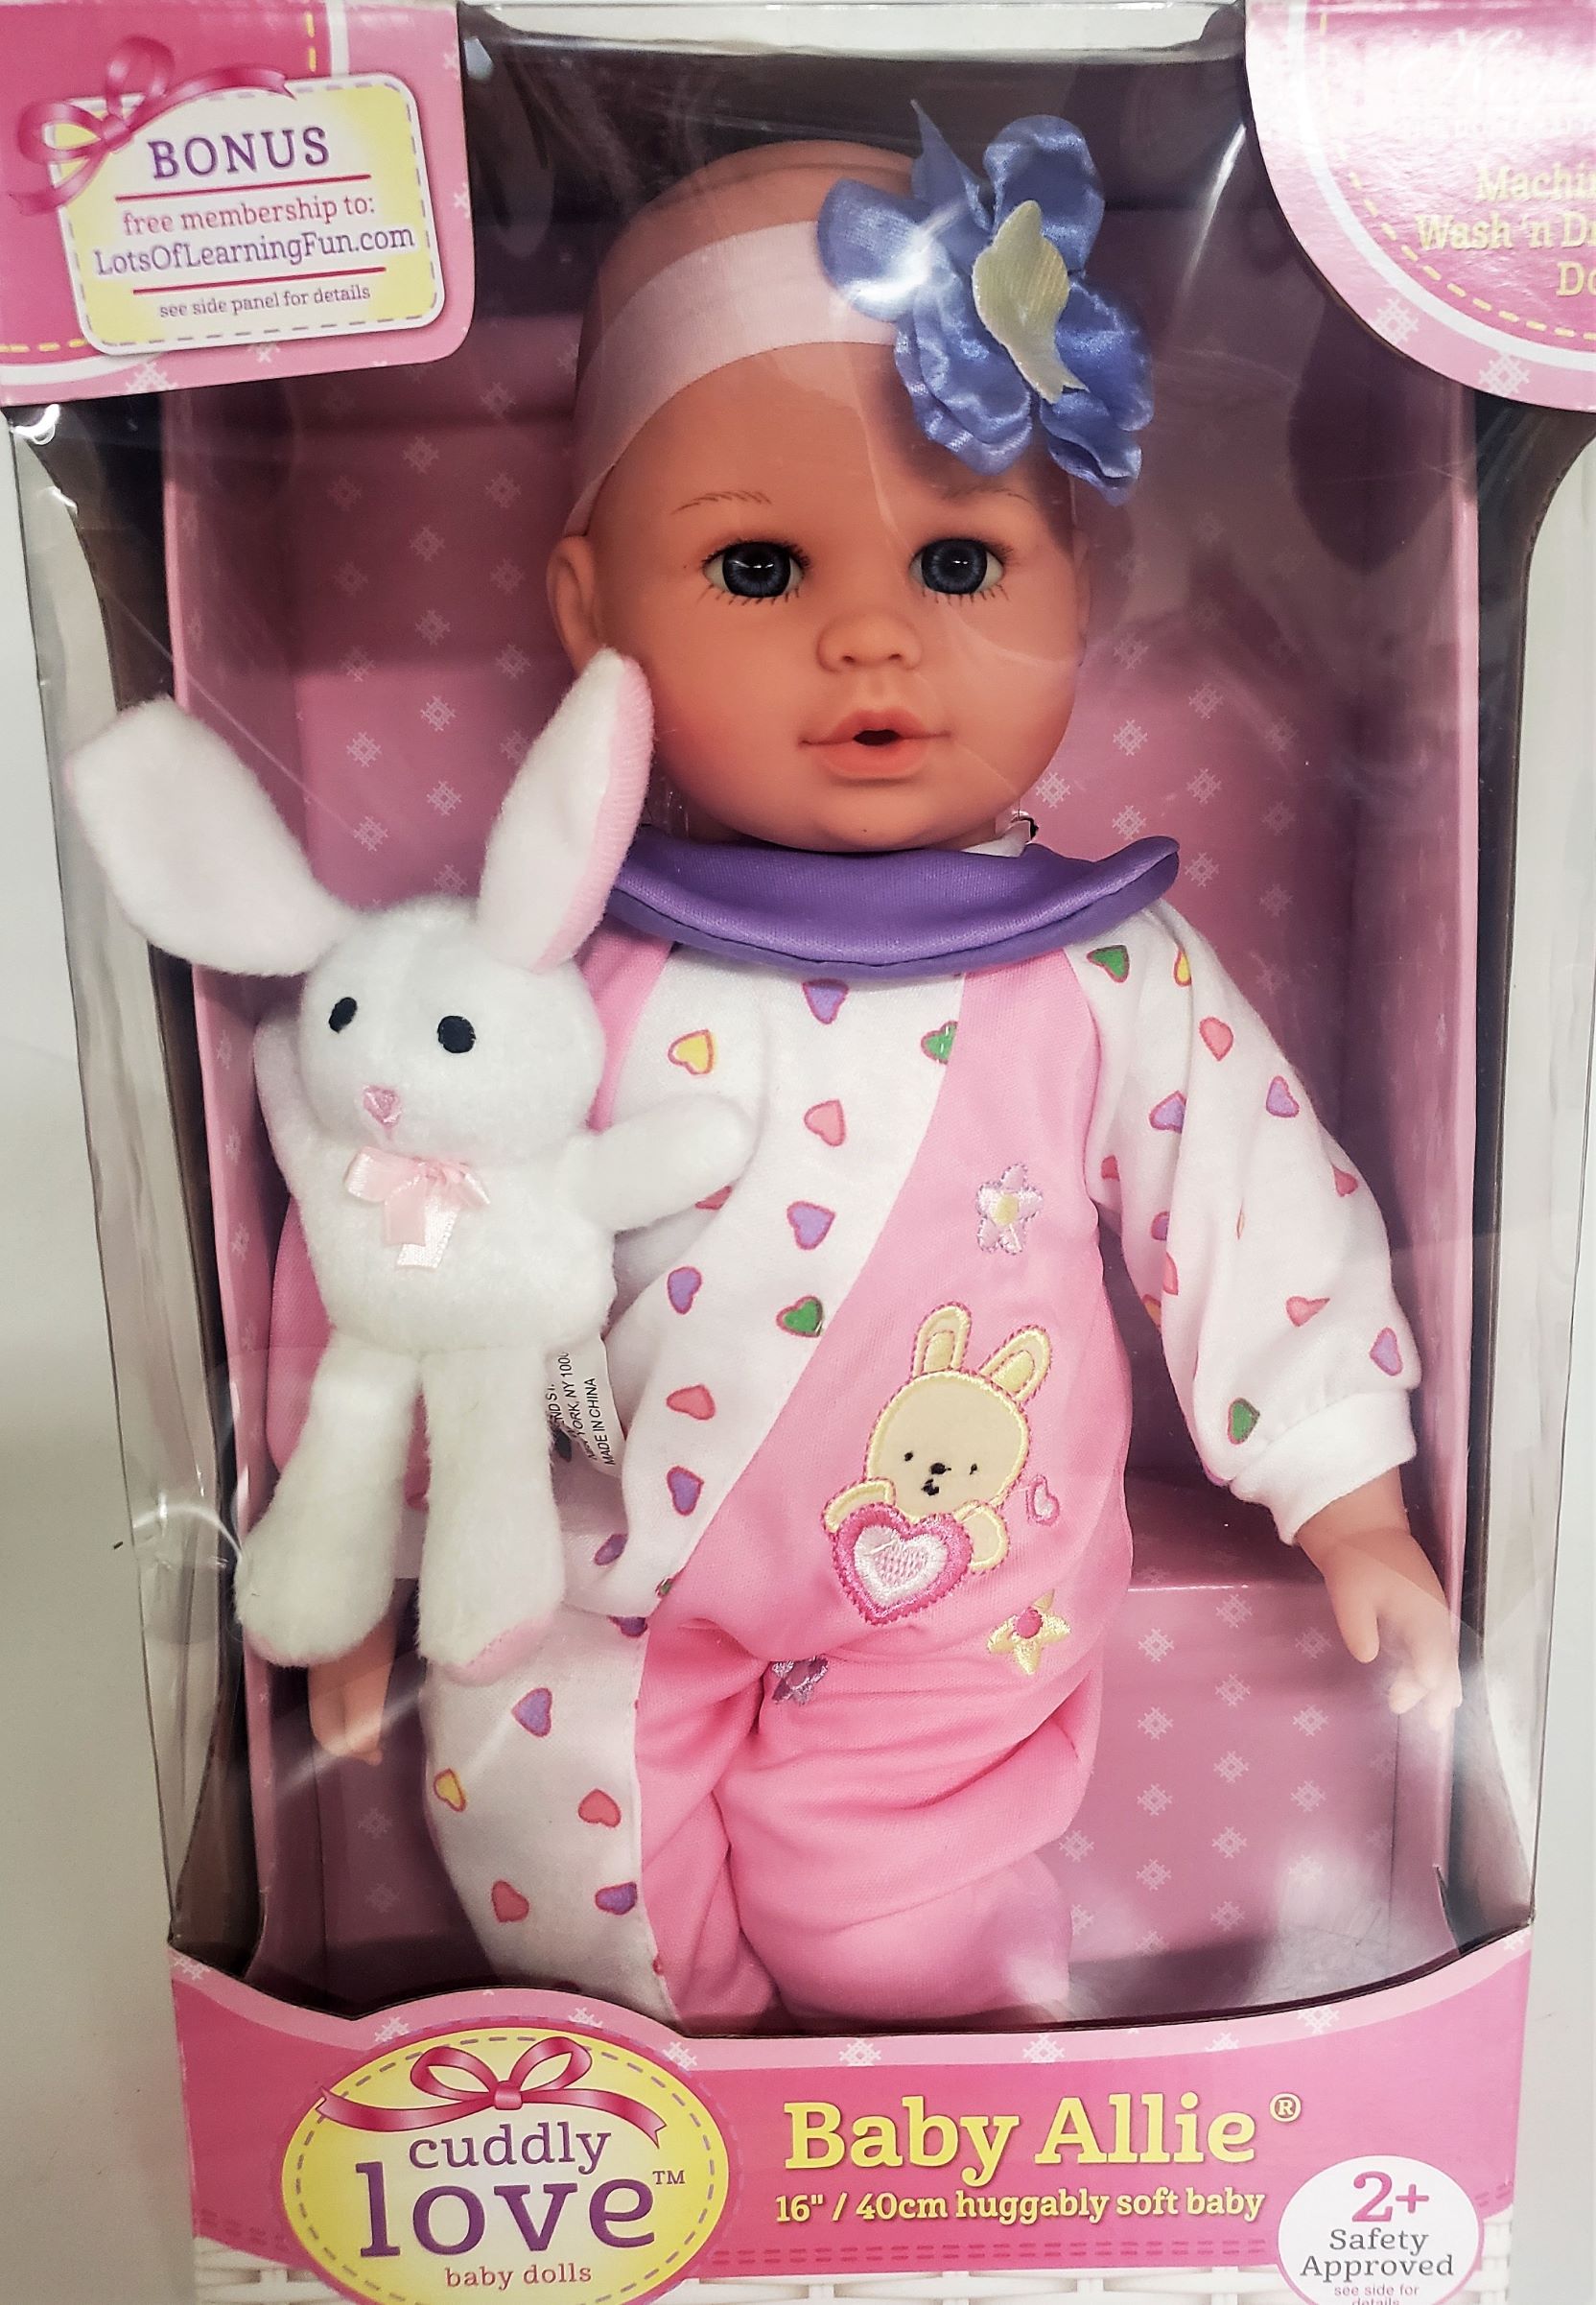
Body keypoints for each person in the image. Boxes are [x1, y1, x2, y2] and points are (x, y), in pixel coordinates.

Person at [300, 115, 1460, 2031]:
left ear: (1080, 580)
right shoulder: (560, 971)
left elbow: (1247, 1199)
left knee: (913, 1921)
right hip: (606, 1558)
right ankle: (663, 2125)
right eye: (756, 564)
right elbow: (426, 1245)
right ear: (589, 610)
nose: (869, 633)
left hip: (964, 1601)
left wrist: (1346, 1492)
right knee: (566, 1857)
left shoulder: (1100, 966)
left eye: (958, 557)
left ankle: (930, 2124)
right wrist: (365, 1544)